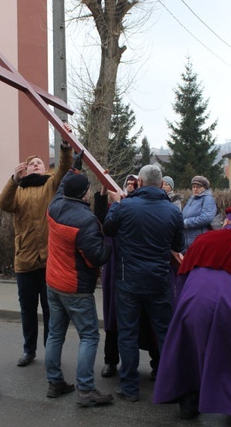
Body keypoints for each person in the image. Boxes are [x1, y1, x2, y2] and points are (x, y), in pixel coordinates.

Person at [154, 207, 231, 425]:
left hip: (193, 301)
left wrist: (181, 309)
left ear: (226, 222)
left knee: (187, 350)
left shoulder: (204, 239)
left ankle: (188, 402)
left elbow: (182, 277)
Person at [103, 164, 184, 402]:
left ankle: (129, 387)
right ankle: (173, 385)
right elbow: (178, 246)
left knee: (127, 333)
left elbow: (108, 228)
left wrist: (116, 204)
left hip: (128, 280)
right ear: (161, 184)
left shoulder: (125, 206)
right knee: (165, 332)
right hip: (158, 280)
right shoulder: (172, 211)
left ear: (138, 181)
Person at [44, 152, 114, 406]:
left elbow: (63, 184)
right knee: (89, 336)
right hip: (75, 287)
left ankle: (55, 383)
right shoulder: (86, 221)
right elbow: (97, 258)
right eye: (88, 191)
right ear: (84, 194)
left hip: (52, 281)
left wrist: (75, 165)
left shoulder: (54, 205)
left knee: (55, 334)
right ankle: (85, 390)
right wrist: (110, 244)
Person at [0, 131, 73, 367]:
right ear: (26, 170)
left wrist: (64, 146)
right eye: (31, 164)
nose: (36, 165)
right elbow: (3, 204)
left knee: (50, 310)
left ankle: (49, 350)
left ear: (45, 169)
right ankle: (28, 350)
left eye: (39, 162)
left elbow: (63, 169)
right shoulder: (17, 191)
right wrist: (13, 178)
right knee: (27, 310)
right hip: (25, 261)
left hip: (50, 259)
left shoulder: (51, 185)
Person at [95, 174, 161, 380]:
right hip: (116, 269)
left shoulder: (139, 209)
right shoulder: (117, 208)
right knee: (113, 317)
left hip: (138, 271)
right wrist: (103, 194)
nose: (131, 187)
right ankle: (111, 361)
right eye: (128, 184)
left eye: (135, 184)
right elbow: (103, 221)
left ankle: (157, 364)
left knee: (148, 320)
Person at [181, 175, 216, 251]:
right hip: (187, 242)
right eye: (193, 187)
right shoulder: (192, 199)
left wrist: (186, 223)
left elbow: (206, 218)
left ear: (205, 188)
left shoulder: (208, 199)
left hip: (199, 241)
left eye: (198, 187)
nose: (195, 189)